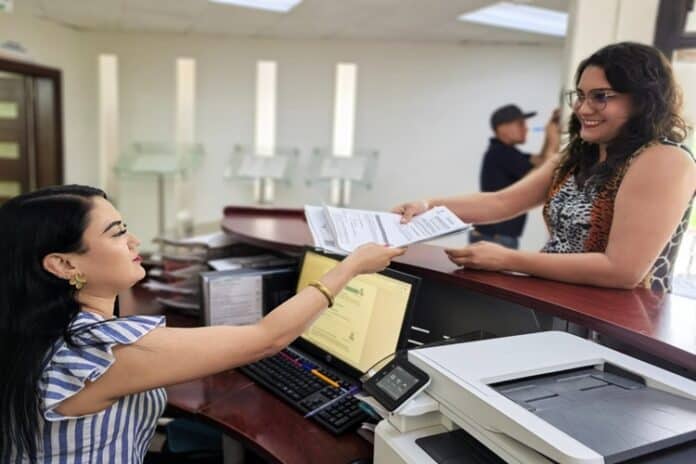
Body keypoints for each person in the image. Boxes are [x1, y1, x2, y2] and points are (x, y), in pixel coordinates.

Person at [0, 184, 404, 462]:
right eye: (118, 233)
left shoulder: (34, 331)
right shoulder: (96, 352)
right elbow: (267, 338)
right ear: (64, 264)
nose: (134, 241)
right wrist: (350, 267)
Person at [393, 42, 696, 292]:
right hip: (558, 302)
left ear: (643, 101)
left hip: (616, 324)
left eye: (601, 97)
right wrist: (428, 205)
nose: (583, 108)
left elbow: (622, 271)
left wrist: (508, 259)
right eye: (580, 96)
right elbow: (501, 202)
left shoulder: (663, 159)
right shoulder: (579, 156)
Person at [471, 105, 561, 249]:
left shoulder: (506, 152)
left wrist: (549, 133)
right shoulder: (500, 153)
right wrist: (552, 140)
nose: (526, 128)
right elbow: (540, 175)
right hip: (496, 237)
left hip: (495, 236)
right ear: (502, 128)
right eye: (520, 124)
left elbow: (540, 161)